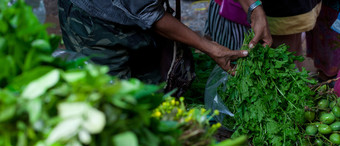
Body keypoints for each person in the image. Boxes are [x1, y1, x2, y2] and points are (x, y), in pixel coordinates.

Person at [57, 0, 271, 84]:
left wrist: (253, 7)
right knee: (113, 102)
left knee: (160, 85)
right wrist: (210, 48)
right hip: (96, 20)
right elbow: (149, 12)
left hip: (144, 12)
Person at [205, 0, 322, 69]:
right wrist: (254, 9)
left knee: (288, 59)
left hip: (289, 11)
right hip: (235, 12)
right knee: (236, 65)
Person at [306, 0, 340, 81]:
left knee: (332, 45)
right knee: (320, 41)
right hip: (322, 8)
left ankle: (330, 75)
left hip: (334, 11)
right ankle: (323, 72)